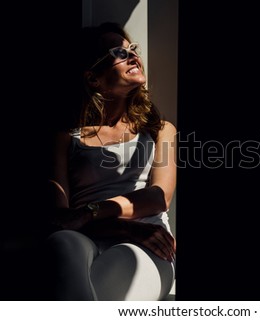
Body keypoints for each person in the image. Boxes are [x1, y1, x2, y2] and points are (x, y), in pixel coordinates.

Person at [45, 22, 177, 301]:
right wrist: (118, 224)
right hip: (89, 237)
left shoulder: (160, 129)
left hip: (145, 242)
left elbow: (158, 198)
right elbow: (60, 219)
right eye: (120, 52)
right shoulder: (67, 138)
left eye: (133, 50)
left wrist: (90, 212)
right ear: (93, 78)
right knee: (63, 242)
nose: (133, 56)